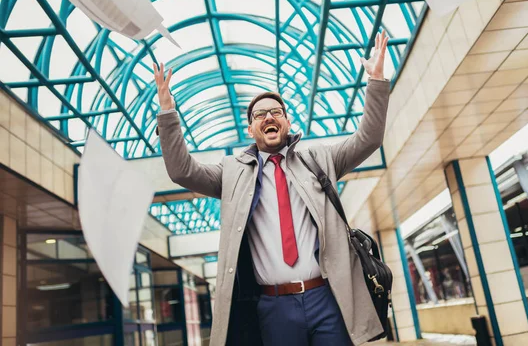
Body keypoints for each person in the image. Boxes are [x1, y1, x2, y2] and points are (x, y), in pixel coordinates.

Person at [154, 31, 391, 346]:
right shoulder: (232, 173)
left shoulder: (321, 159)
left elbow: (369, 139)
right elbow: (182, 171)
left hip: (327, 298)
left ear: (288, 122)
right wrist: (168, 114)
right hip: (274, 306)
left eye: (276, 112)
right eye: (260, 114)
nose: (269, 116)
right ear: (250, 128)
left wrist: (375, 82)